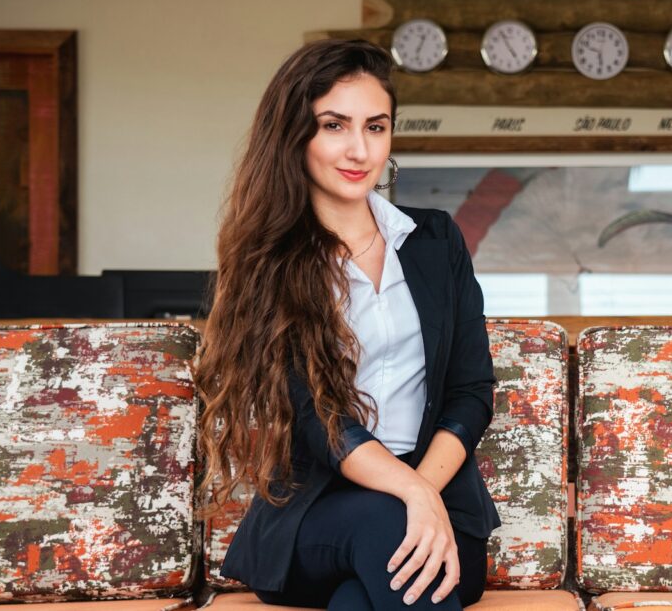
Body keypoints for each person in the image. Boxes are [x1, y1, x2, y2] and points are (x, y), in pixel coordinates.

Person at [196, 39, 500, 610]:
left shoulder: (435, 241)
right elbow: (318, 418)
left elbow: (471, 390)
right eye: (334, 125)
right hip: (318, 512)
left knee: (362, 599)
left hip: (439, 502)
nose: (359, 149)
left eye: (376, 127)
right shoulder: (270, 263)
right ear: (296, 135)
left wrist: (423, 491)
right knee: (386, 528)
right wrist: (407, 492)